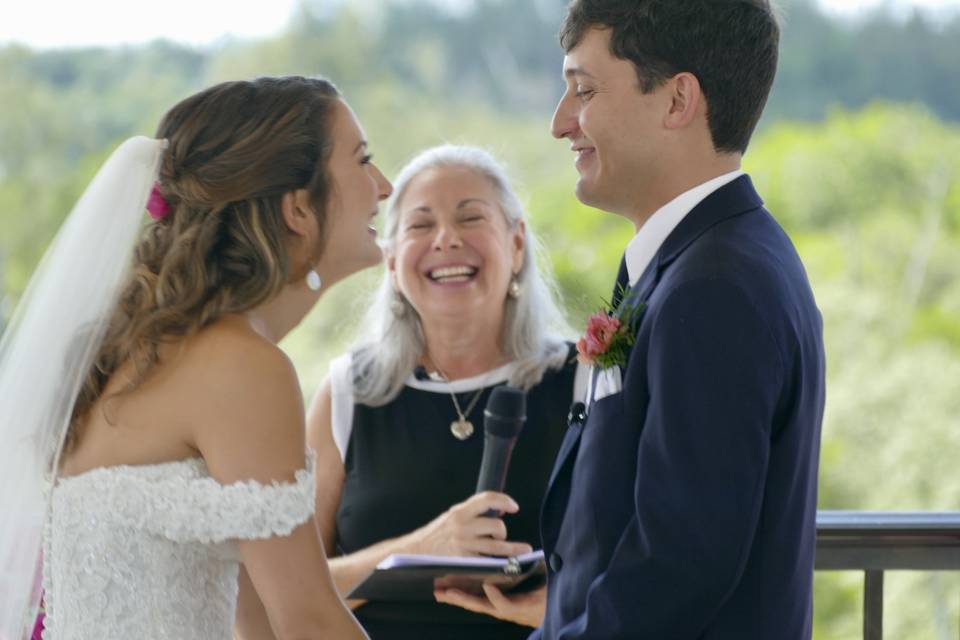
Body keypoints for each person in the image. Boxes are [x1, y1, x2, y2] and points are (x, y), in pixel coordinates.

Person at [438, 1, 826, 638]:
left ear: (677, 101)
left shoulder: (715, 287)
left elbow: (681, 565)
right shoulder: (705, 260)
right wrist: (566, 588)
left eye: (584, 90)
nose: (561, 123)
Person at [0, 76, 393, 640]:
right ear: (299, 208)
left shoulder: (146, 349)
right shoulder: (241, 368)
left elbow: (255, 620)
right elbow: (308, 620)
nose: (384, 184)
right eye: (363, 160)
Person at [305, 145, 586, 640]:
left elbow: (634, 567)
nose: (447, 239)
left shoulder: (583, 379)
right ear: (391, 260)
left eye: (470, 217)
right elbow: (290, 588)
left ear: (516, 243)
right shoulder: (347, 393)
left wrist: (566, 608)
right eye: (420, 225)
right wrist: (425, 547)